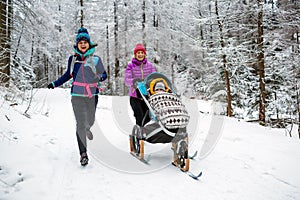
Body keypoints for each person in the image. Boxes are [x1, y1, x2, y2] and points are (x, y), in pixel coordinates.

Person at [47, 27, 107, 166]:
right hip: (77, 95)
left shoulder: (96, 60)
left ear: (89, 43)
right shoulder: (72, 60)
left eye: (85, 41)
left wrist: (97, 76)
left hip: (92, 94)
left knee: (90, 120)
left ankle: (88, 127)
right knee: (80, 123)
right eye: (80, 42)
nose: (83, 44)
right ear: (77, 44)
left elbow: (104, 75)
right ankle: (83, 154)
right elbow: (68, 75)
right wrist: (55, 84)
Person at [124, 43, 156, 127]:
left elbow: (154, 77)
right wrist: (134, 81)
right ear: (135, 55)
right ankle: (139, 136)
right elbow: (127, 80)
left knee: (148, 117)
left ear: (144, 54)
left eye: (142, 53)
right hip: (135, 96)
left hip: (147, 95)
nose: (140, 54)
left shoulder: (150, 66)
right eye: (138, 53)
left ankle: (146, 135)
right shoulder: (130, 66)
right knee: (139, 116)